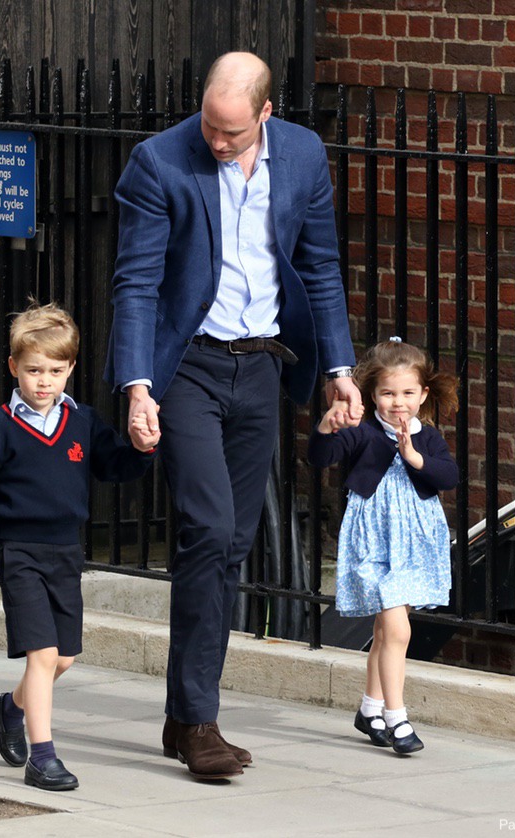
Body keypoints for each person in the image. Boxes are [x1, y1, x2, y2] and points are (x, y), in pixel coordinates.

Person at [105, 52, 360, 780]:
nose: (216, 142)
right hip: (187, 366)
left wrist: (339, 371)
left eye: (233, 133)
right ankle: (200, 720)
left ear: (266, 114)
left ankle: (185, 713)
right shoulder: (158, 163)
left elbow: (320, 267)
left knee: (230, 543)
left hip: (264, 364)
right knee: (209, 528)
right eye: (211, 127)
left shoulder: (305, 155)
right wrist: (137, 385)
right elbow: (137, 282)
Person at [0, 301, 159, 791]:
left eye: (54, 370)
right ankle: (42, 757)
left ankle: (10, 706)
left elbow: (112, 466)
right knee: (42, 654)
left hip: (66, 553)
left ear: (70, 369)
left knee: (64, 657)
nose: (43, 381)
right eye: (33, 370)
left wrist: (143, 448)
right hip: (20, 552)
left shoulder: (83, 421)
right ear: (13, 368)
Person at [308, 338, 458, 754]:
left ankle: (369, 709)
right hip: (374, 541)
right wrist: (325, 426)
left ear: (423, 394)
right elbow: (321, 458)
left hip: (416, 544)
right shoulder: (362, 432)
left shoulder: (426, 436)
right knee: (396, 629)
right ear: (371, 393)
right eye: (388, 393)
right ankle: (398, 719)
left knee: (385, 630)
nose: (398, 403)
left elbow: (448, 477)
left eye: (408, 393)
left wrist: (415, 458)